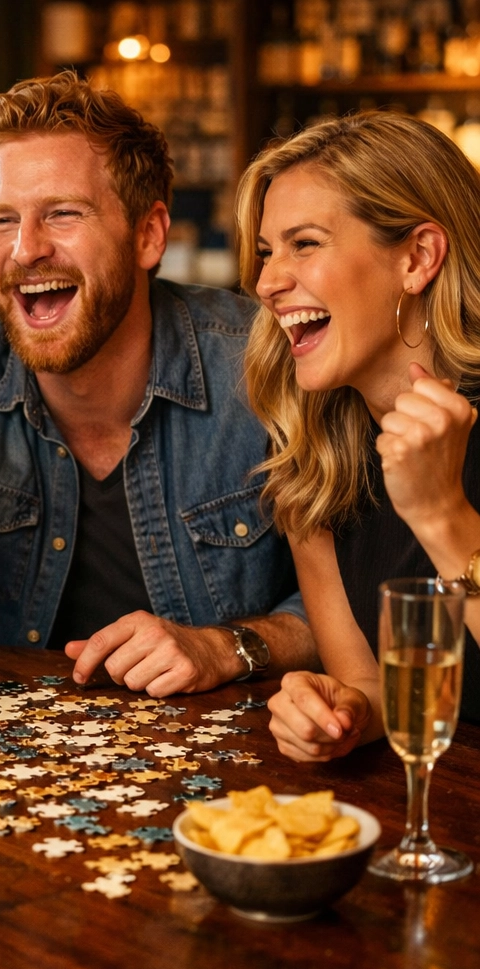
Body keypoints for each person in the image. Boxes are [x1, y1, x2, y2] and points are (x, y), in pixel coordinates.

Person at [0, 71, 317, 695]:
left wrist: (228, 647)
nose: (26, 250)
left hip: (234, 742)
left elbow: (357, 603)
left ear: (148, 235)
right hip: (23, 740)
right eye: (1, 220)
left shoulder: (264, 360)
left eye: (63, 213)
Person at [234, 109, 480, 761]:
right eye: (267, 252)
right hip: (430, 798)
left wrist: (442, 513)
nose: (266, 282)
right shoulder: (310, 442)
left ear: (418, 258)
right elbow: (373, 686)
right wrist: (340, 712)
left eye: (305, 244)